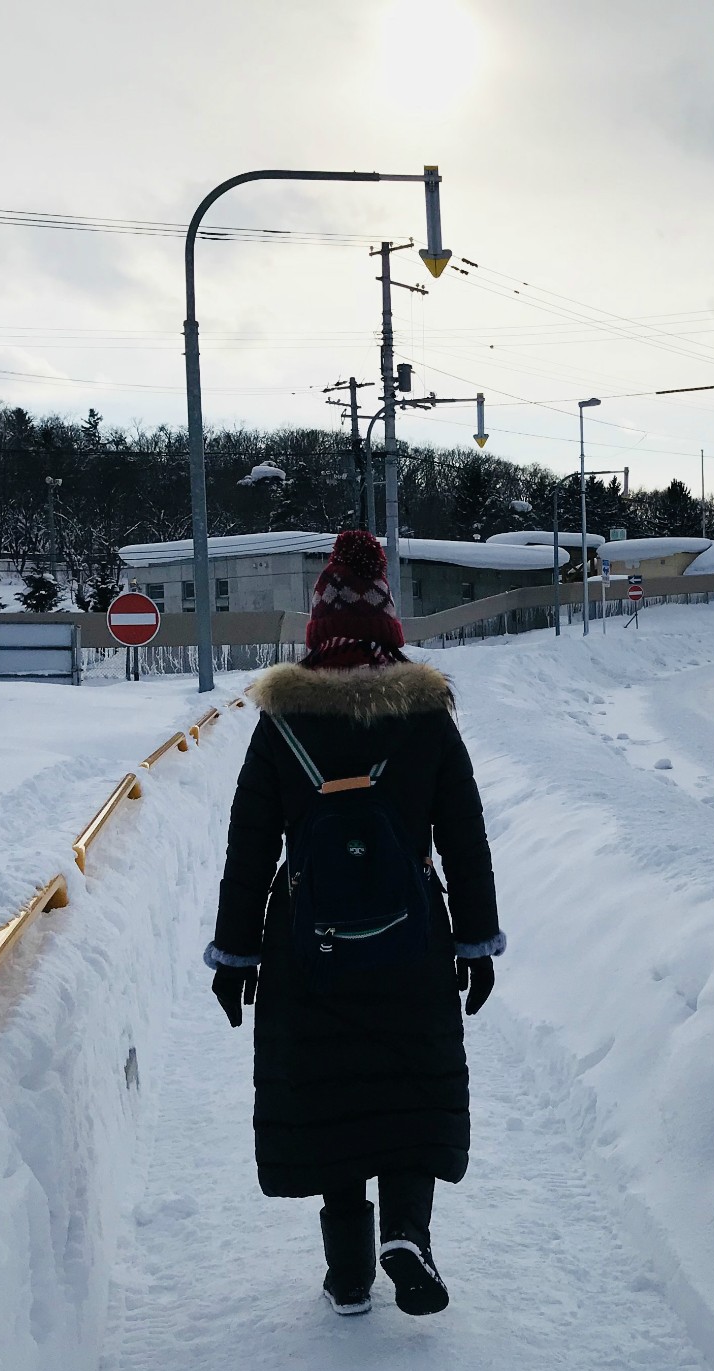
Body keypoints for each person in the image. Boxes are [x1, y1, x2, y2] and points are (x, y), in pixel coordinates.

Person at [205, 530, 503, 1317]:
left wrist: (234, 956)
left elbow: (248, 844)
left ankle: (347, 1275)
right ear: (388, 624)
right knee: (406, 1086)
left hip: (309, 948)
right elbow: (463, 836)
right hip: (411, 944)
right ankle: (406, 1231)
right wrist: (476, 941)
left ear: (318, 623)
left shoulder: (282, 719)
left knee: (333, 1095)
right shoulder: (427, 712)